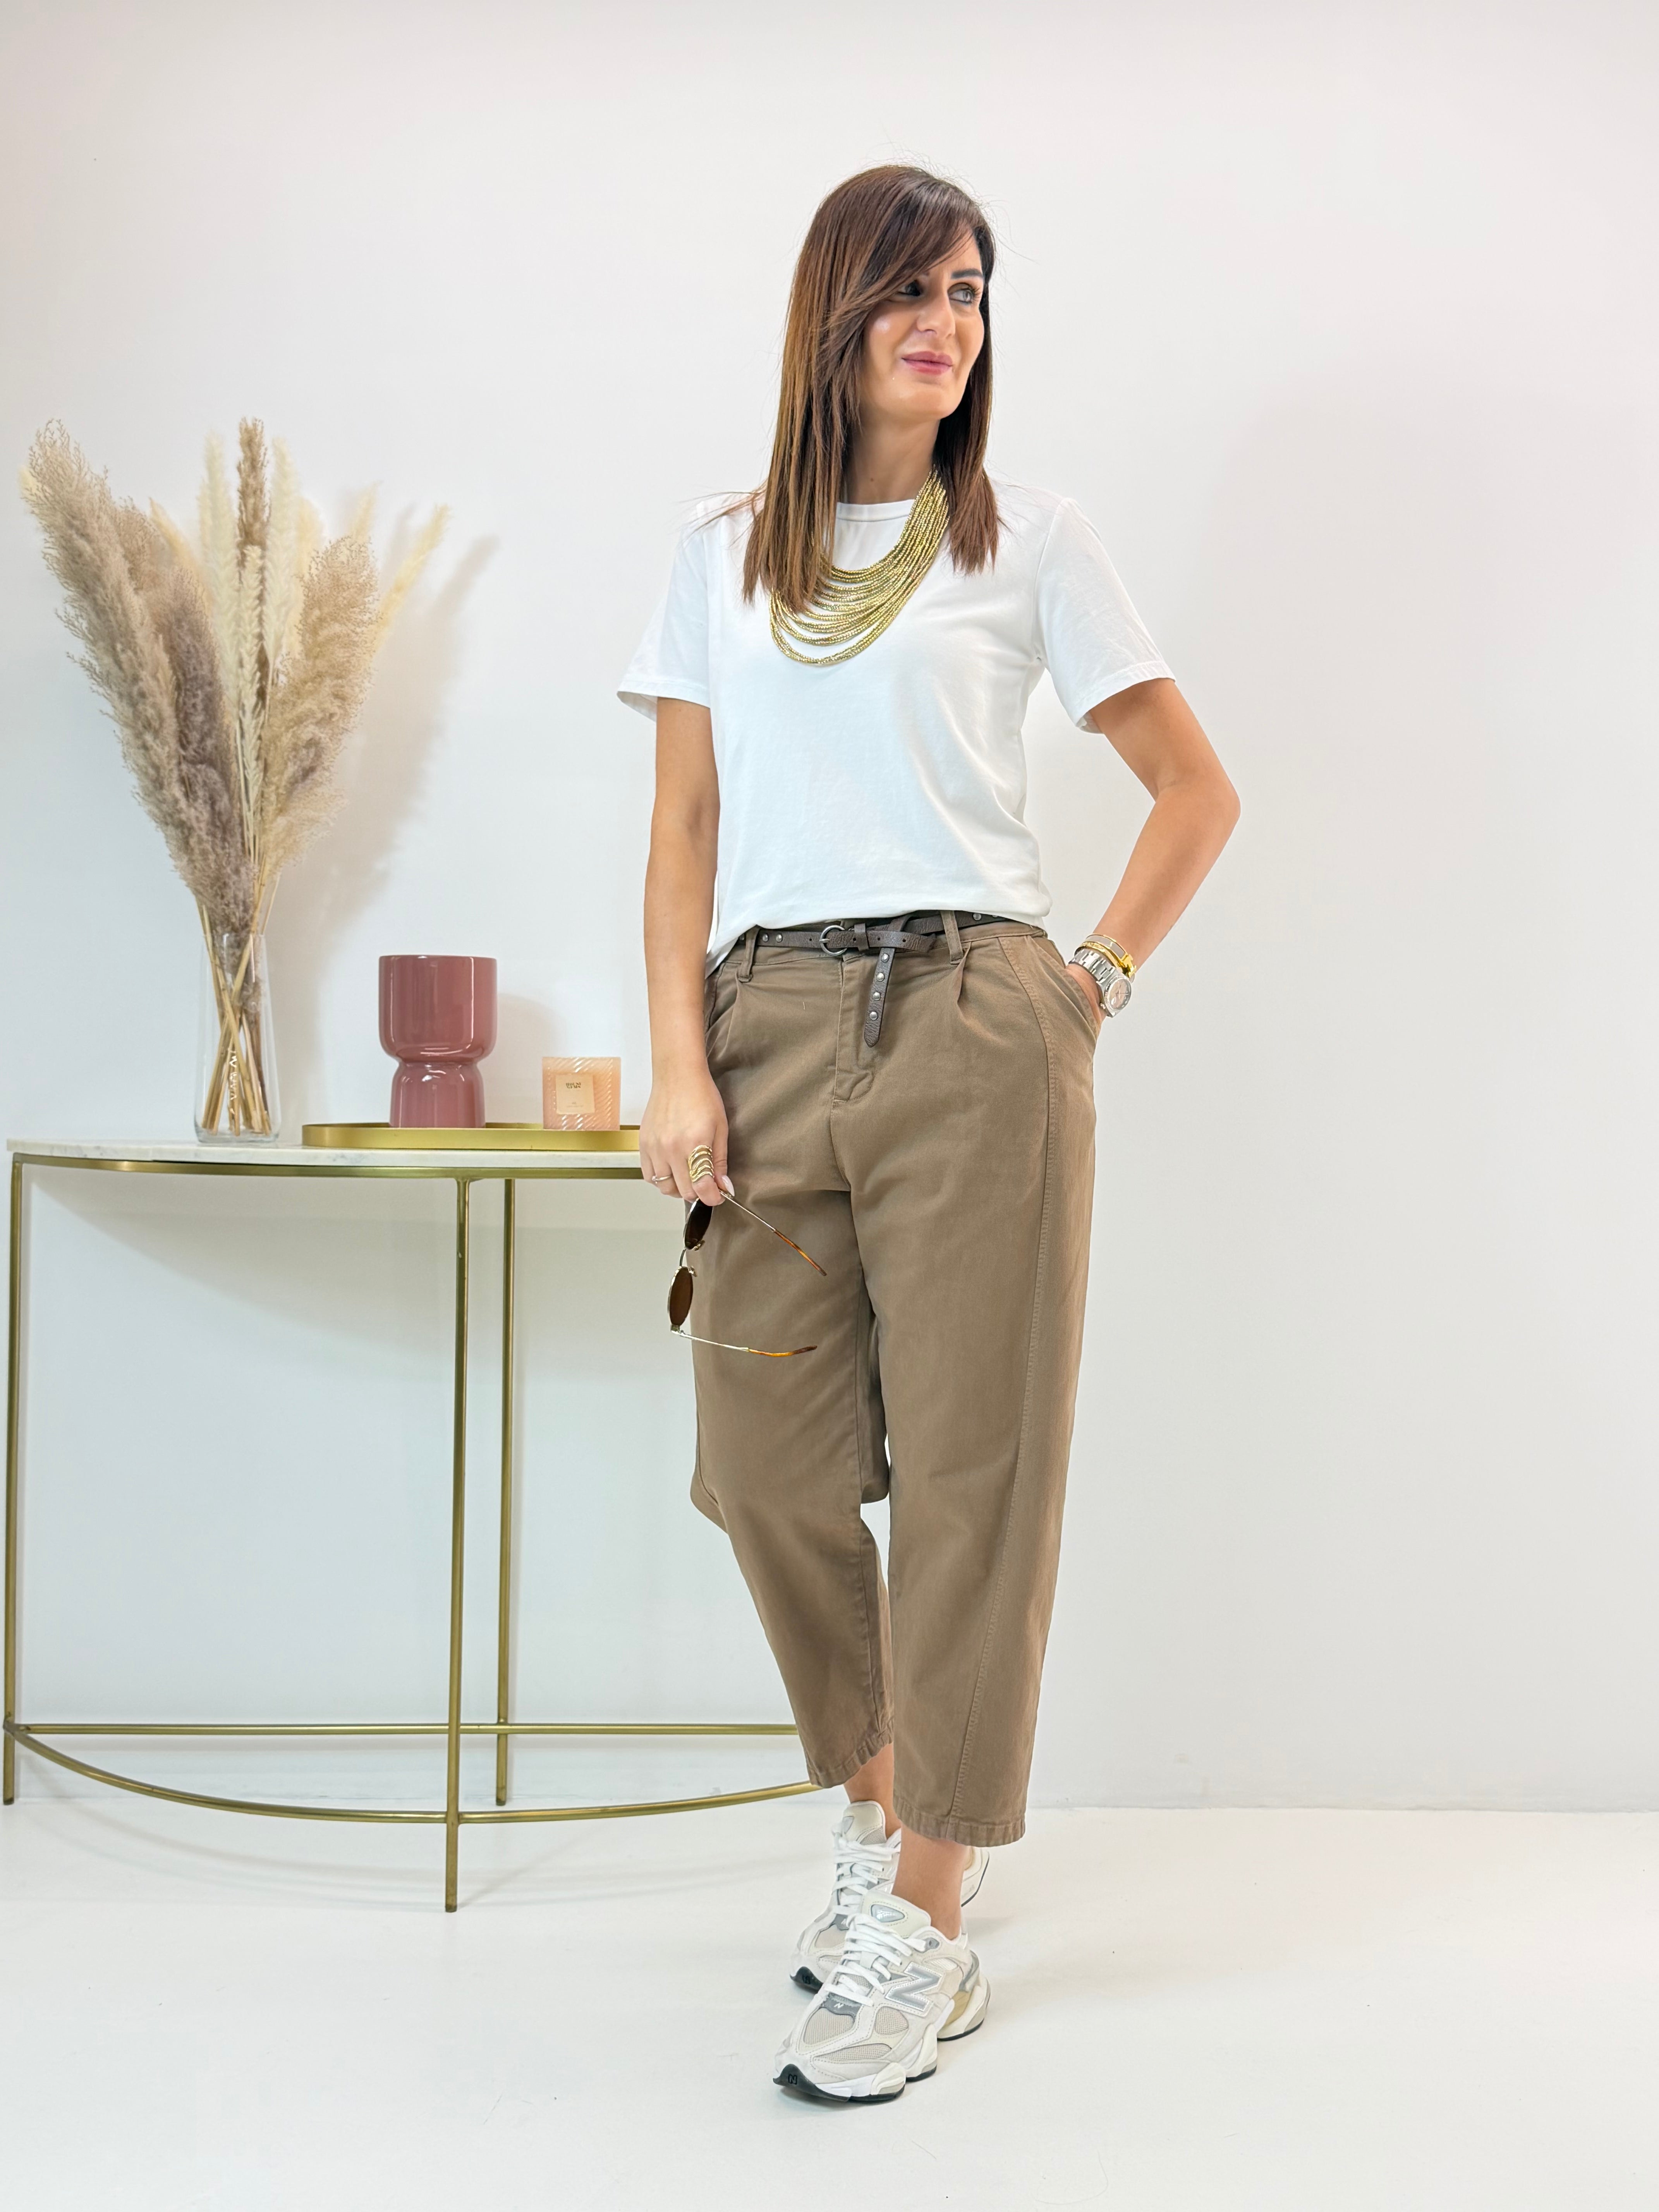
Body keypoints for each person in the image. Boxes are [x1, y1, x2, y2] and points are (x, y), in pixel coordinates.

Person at [618, 164, 1238, 2104]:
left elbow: (1195, 792)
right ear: (835, 311)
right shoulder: (722, 554)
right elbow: (684, 837)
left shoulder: (1031, 539)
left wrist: (1089, 983)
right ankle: (883, 1810)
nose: (945, 323)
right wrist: (678, 1066)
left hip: (980, 1017)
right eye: (910, 287)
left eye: (969, 291)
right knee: (762, 1461)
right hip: (769, 1019)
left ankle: (930, 1912)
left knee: (979, 1473)